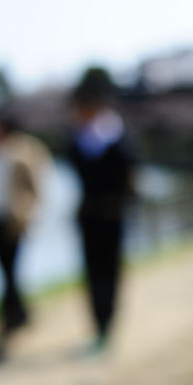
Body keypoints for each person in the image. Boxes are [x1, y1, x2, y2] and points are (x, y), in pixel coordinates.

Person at [0, 112, 51, 365]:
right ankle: (17, 315)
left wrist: (29, 216)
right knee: (3, 269)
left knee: (10, 269)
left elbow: (35, 185)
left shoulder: (24, 150)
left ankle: (10, 318)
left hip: (13, 221)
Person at [68, 68, 136, 353]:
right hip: (89, 215)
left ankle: (108, 327)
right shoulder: (78, 139)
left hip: (114, 214)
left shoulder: (117, 136)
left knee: (110, 271)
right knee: (92, 273)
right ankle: (98, 326)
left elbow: (130, 172)